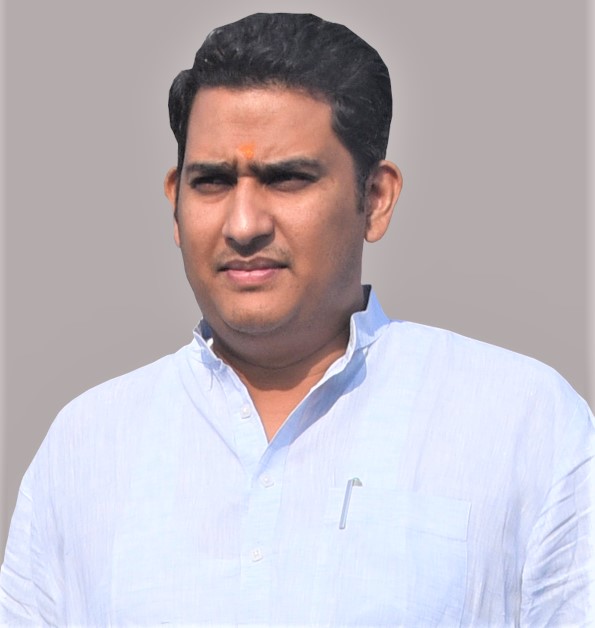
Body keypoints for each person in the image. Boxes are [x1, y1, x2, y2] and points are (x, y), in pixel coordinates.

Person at [1, 11, 593, 626]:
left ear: (375, 199)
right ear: (175, 201)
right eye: (212, 182)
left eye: (286, 179)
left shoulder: (520, 423)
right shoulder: (88, 448)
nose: (244, 225)